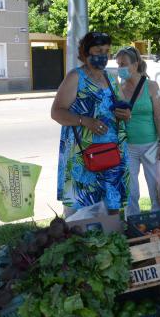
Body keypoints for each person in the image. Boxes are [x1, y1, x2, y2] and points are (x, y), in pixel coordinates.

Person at [51, 32, 130, 216]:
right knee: (82, 217)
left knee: (112, 213)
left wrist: (125, 113)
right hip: (84, 158)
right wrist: (84, 121)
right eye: (98, 50)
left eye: (107, 51)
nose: (103, 55)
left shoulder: (111, 79)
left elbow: (122, 107)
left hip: (112, 156)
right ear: (85, 53)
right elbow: (56, 112)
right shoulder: (75, 77)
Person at [115, 46, 160, 215]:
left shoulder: (151, 86)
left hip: (151, 145)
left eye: (123, 64)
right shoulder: (120, 89)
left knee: (155, 188)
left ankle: (159, 221)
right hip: (129, 146)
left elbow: (158, 118)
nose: (120, 68)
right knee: (131, 190)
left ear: (135, 65)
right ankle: (133, 224)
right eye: (118, 65)